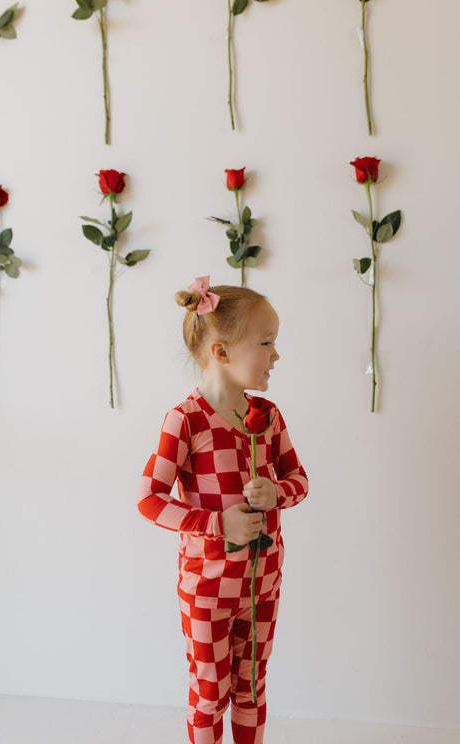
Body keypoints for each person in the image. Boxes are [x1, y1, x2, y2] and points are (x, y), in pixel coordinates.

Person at [137, 277, 308, 744]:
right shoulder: (185, 419)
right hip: (208, 589)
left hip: (263, 583)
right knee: (211, 693)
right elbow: (149, 498)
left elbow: (299, 481)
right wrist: (216, 523)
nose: (276, 356)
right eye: (267, 343)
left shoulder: (267, 417)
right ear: (222, 352)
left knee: (251, 688)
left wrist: (277, 493)